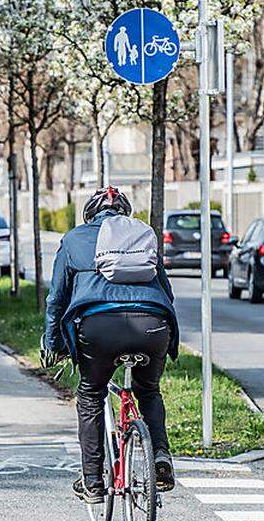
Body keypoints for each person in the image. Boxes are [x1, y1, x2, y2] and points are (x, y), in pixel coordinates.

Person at [42, 187, 179, 503]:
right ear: (125, 215)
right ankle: (159, 454)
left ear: (89, 214)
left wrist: (53, 342)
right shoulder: (143, 236)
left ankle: (92, 481)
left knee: (91, 394)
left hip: (99, 328)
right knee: (149, 391)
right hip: (153, 324)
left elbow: (57, 299)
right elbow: (166, 292)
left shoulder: (74, 239)